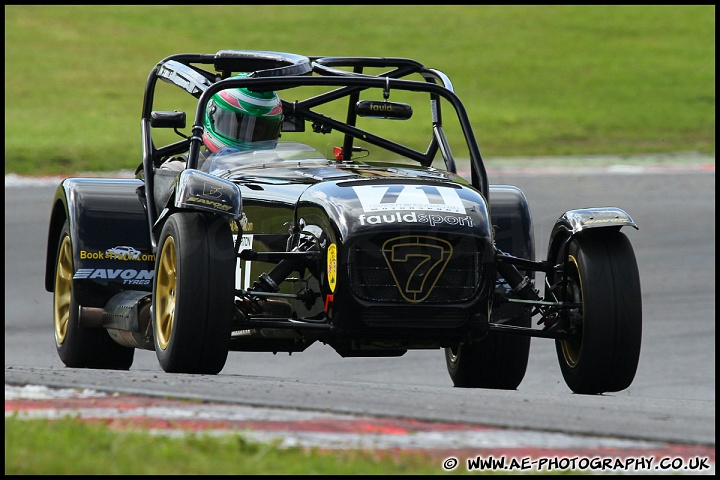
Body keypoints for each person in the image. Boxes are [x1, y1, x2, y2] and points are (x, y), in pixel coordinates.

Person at [160, 76, 284, 171]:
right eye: (237, 127)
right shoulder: (180, 170)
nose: (247, 137)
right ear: (212, 116)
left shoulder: (284, 172)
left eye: (257, 131)